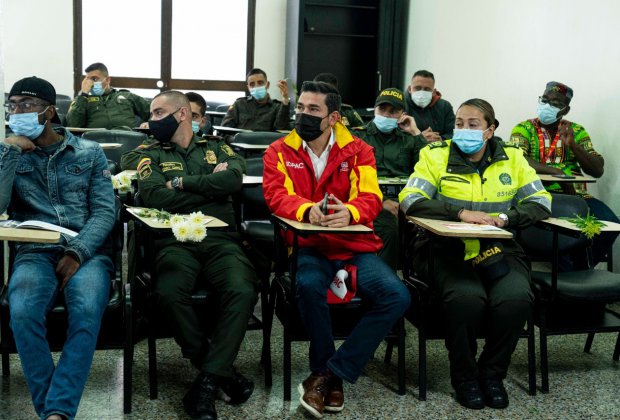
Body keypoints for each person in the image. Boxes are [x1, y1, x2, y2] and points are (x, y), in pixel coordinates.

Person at [263, 81, 410, 419]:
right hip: (307, 247)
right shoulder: (279, 151)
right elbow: (275, 196)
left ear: (333, 118)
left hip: (353, 247)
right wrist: (305, 209)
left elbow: (371, 197)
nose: (302, 114)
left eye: (313, 110)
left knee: (397, 296)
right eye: (300, 107)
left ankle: (331, 374)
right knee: (309, 285)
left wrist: (352, 212)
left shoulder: (359, 150)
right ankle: (326, 375)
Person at [399, 99, 551, 410]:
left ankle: (492, 375)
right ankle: (465, 378)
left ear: (490, 130)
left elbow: (541, 201)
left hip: (500, 248)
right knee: (466, 299)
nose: (463, 130)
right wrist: (460, 212)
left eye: (472, 125)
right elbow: (410, 199)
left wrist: (504, 218)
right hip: (444, 248)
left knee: (516, 299)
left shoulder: (513, 159)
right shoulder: (435, 155)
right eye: (458, 123)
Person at [135, 90, 257, 420]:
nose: (151, 120)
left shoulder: (219, 147)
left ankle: (205, 384)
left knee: (243, 290)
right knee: (169, 293)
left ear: (183, 114)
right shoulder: (150, 155)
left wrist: (181, 184)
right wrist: (207, 190)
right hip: (175, 239)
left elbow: (232, 181)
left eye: (159, 113)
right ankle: (221, 375)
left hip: (220, 240)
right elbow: (155, 197)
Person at [0, 76, 116, 420]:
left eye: (27, 105)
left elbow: (105, 211)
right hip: (34, 251)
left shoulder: (89, 152)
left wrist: (77, 251)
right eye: (12, 105)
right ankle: (56, 411)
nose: (17, 111)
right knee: (22, 311)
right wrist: (9, 151)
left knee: (87, 310)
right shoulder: (10, 151)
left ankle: (56, 412)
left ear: (50, 111)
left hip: (88, 251)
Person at [510, 81, 619, 268]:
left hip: (577, 196)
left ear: (565, 110)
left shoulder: (576, 131)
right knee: (561, 230)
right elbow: (518, 159)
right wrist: (557, 172)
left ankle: (579, 270)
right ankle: (563, 271)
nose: (547, 106)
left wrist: (574, 146)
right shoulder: (524, 129)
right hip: (539, 195)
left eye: (555, 103)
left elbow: (597, 169)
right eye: (544, 100)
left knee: (610, 223)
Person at [350, 87, 427, 269]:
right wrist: (381, 200)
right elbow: (350, 175)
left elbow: (427, 167)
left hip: (403, 198)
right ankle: (385, 279)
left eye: (393, 111)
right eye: (382, 109)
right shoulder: (358, 136)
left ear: (403, 114)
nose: (386, 114)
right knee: (389, 226)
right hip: (368, 197)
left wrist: (416, 133)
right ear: (375, 110)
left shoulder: (409, 139)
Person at [66, 62, 150, 129]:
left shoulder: (127, 96)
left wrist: (149, 123)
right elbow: (73, 126)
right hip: (95, 142)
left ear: (108, 80)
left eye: (94, 79)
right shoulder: (83, 101)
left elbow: (153, 113)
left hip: (128, 140)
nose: (90, 83)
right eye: (87, 79)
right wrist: (83, 95)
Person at [221, 68, 291, 131]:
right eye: (252, 84)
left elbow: (281, 129)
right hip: (240, 143)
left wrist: (285, 99)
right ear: (248, 87)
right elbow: (225, 129)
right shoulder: (239, 104)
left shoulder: (277, 107)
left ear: (267, 84)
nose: (256, 86)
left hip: (265, 144)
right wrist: (234, 141)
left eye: (260, 83)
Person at [405, 69, 455, 142]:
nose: (422, 92)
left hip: (438, 150)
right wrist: (419, 138)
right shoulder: (400, 105)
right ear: (410, 89)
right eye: (418, 88)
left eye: (426, 89)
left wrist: (440, 139)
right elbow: (395, 137)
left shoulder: (445, 106)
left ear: (434, 92)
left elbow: (453, 133)